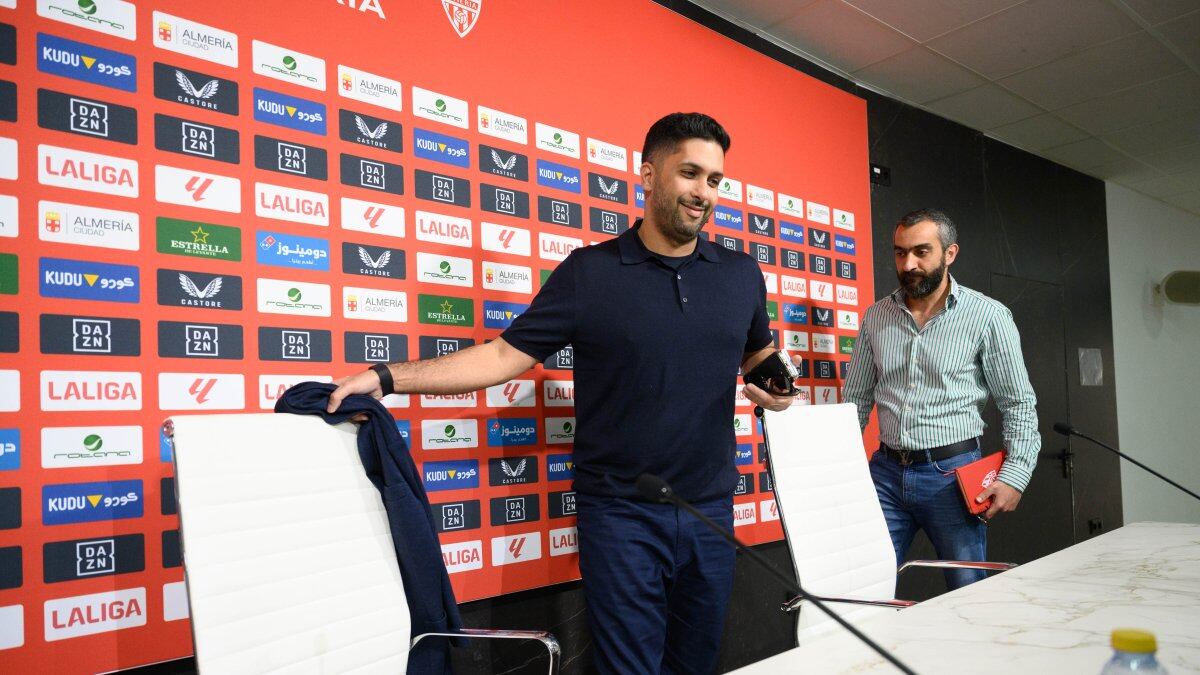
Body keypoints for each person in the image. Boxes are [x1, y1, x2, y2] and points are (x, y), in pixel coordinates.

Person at [327, 112, 799, 673]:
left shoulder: (742, 274)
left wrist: (772, 381)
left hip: (712, 510)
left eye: (715, 180)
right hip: (622, 515)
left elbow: (754, 350)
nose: (703, 193)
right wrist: (387, 378)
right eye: (689, 173)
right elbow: (504, 356)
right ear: (648, 175)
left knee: (697, 665)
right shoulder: (590, 273)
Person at [841, 208, 1040, 590]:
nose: (908, 263)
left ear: (950, 254)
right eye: (900, 252)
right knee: (866, 586)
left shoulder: (988, 316)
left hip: (952, 475)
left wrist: (1015, 475)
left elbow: (1017, 403)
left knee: (968, 590)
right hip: (885, 473)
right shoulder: (876, 317)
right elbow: (856, 401)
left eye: (921, 251)